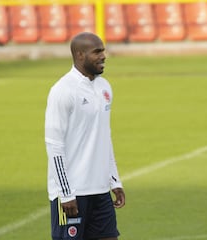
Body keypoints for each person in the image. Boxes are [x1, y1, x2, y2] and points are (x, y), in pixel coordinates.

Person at [45, 32, 126, 240]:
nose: (103, 56)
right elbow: (54, 145)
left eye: (103, 51)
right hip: (72, 192)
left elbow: (103, 137)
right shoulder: (63, 90)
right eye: (97, 52)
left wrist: (114, 180)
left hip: (99, 189)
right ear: (80, 55)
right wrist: (66, 194)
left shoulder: (104, 87)